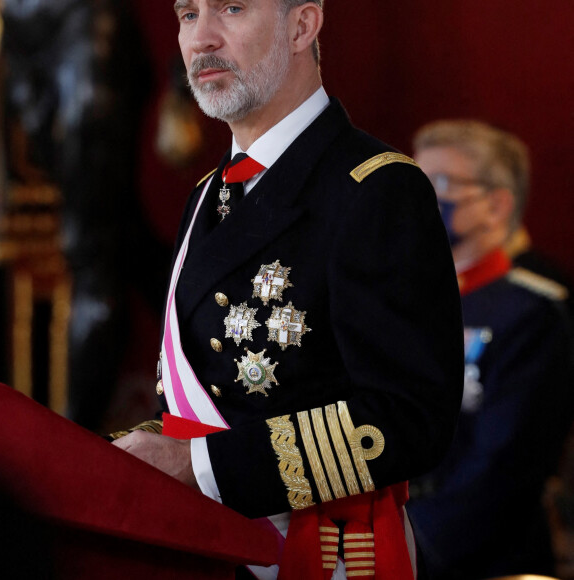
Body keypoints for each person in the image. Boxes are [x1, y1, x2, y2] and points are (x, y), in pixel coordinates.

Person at [112, 1, 464, 578]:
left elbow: (409, 417)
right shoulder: (206, 196)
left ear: (302, 26)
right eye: (186, 13)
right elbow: (196, 398)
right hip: (206, 545)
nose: (201, 39)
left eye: (231, 8)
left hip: (323, 553)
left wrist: (201, 466)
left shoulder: (377, 189)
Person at [407, 119, 574, 579]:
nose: (420, 197)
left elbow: (504, 465)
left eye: (439, 183)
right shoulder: (405, 299)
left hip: (480, 557)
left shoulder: (532, 312)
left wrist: (415, 542)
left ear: (496, 204)